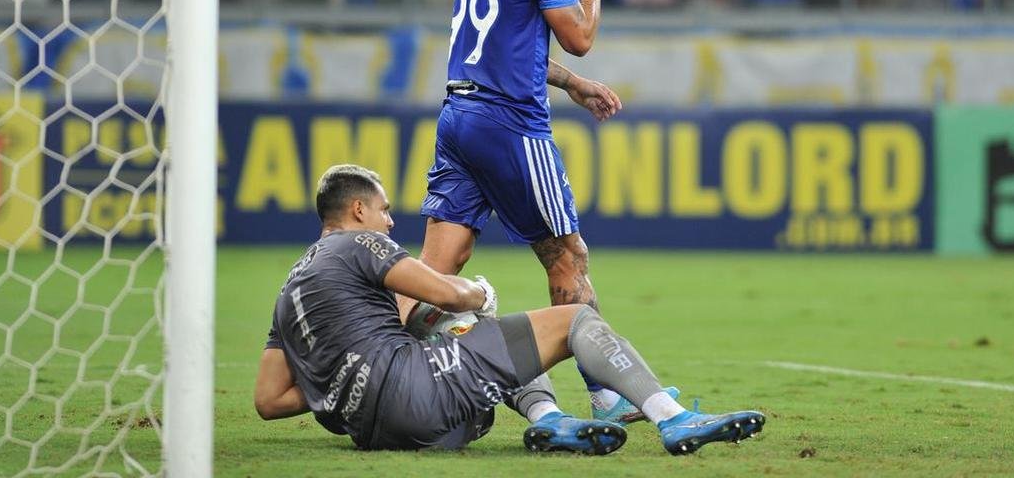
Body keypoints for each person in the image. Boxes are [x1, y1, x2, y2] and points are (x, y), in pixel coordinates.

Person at [403, 0, 676, 423]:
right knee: (568, 257)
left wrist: (572, 86)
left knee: (436, 266)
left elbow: (501, 42)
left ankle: (381, 367)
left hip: (458, 115)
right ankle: (607, 394)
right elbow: (579, 37)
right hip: (509, 123)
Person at [254, 164, 766, 455]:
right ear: (359, 210)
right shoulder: (359, 245)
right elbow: (445, 293)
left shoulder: (288, 291)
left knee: (457, 333)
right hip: (420, 397)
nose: (389, 222)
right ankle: (671, 418)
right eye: (385, 209)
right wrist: (480, 291)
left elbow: (270, 400)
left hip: (377, 431)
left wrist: (344, 384)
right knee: (573, 320)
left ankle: (550, 418)